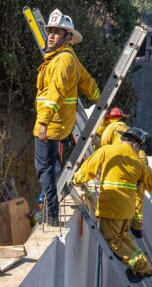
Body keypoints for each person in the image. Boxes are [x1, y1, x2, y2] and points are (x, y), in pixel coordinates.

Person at [71, 127, 152, 283]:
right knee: (124, 238)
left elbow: (89, 168)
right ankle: (146, 266)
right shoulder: (139, 162)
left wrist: (76, 180)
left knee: (112, 241)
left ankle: (141, 268)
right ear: (136, 145)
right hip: (127, 211)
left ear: (125, 139)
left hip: (112, 208)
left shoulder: (107, 150)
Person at [34, 9, 101, 226]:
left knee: (44, 170)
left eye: (57, 32)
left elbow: (54, 94)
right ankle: (52, 207)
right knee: (51, 165)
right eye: (50, 31)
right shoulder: (67, 57)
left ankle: (51, 216)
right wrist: (100, 99)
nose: (51, 35)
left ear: (67, 37)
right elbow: (85, 81)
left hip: (50, 124)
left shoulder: (61, 61)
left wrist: (43, 121)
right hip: (60, 123)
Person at [130, 140, 150, 239]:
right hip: (139, 182)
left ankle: (135, 228)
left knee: (136, 201)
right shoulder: (141, 154)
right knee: (138, 202)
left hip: (137, 183)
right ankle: (136, 228)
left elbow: (141, 167)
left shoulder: (140, 154)